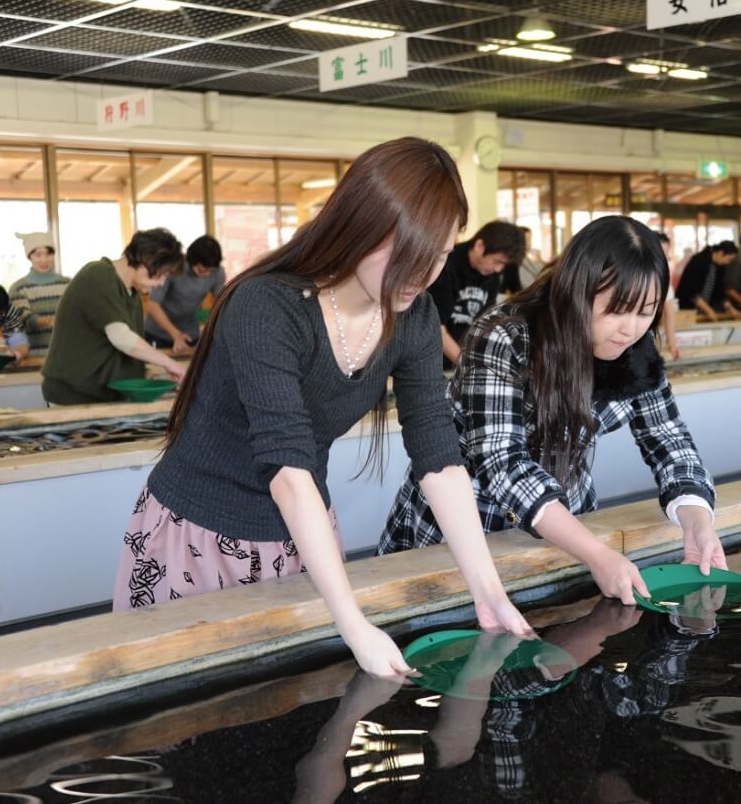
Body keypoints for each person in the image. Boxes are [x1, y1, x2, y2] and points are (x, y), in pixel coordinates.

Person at [112, 138, 532, 678]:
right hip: (198, 534)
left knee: (289, 706)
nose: (422, 276)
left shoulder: (415, 317)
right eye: (408, 255)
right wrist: (353, 623)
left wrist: (489, 590)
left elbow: (440, 457)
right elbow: (287, 469)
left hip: (299, 536)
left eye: (440, 256)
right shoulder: (268, 305)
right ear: (358, 226)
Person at [380, 215, 726, 606]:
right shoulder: (505, 336)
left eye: (646, 312)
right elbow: (503, 462)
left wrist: (697, 519)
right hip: (465, 530)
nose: (630, 329)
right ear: (580, 291)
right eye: (616, 310)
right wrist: (595, 553)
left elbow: (668, 436)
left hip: (563, 530)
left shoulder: (635, 351)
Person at [41, 228, 188, 405]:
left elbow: (118, 349)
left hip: (102, 396)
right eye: (162, 274)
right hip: (74, 395)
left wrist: (144, 373)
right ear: (145, 261)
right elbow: (121, 337)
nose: (163, 282)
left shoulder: (132, 294)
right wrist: (169, 363)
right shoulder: (98, 275)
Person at [428, 220, 526, 367]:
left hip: (465, 358)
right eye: (497, 261)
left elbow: (486, 321)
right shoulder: (446, 266)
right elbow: (436, 328)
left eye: (503, 264)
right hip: (436, 362)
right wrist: (466, 365)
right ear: (480, 246)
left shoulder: (492, 275)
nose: (498, 269)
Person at [144, 235, 226, 355]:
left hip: (190, 334)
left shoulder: (218, 272)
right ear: (190, 260)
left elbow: (221, 302)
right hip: (158, 333)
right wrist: (175, 334)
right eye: (202, 270)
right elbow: (152, 304)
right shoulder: (174, 267)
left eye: (211, 271)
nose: (206, 275)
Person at [7, 231, 70, 358]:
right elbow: (26, 320)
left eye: (49, 254)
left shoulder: (69, 284)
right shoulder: (18, 288)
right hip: (34, 358)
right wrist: (53, 321)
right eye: (38, 255)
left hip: (67, 356)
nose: (44, 260)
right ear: (29, 257)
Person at [675, 242, 740, 322]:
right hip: (687, 309)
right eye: (729, 259)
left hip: (703, 311)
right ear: (721, 253)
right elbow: (691, 292)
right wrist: (708, 310)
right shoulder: (699, 261)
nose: (728, 262)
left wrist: (731, 308)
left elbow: (719, 292)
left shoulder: (720, 266)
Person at [657, 232, 681, 360]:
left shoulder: (664, 279)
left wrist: (672, 345)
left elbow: (669, 313)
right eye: (661, 251)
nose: (664, 256)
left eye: (666, 252)